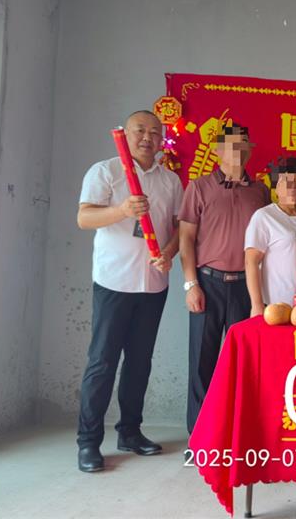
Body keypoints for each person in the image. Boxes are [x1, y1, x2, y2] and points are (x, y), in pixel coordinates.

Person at [75, 110, 182, 472]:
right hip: (114, 282)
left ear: (162, 139)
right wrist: (122, 210)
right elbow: (84, 217)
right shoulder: (106, 171)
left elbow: (177, 229)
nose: (147, 138)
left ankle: (130, 432)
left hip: (152, 284)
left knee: (139, 362)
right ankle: (88, 442)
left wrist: (168, 254)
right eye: (140, 130)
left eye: (155, 132)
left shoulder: (170, 181)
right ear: (127, 133)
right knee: (102, 362)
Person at [179, 125, 270, 434]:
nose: (238, 150)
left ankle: (233, 433)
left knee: (241, 364)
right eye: (231, 144)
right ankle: (199, 438)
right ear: (217, 150)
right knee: (201, 363)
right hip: (208, 284)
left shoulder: (260, 192)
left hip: (246, 287)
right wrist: (191, 285)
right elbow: (186, 239)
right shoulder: (199, 187)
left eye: (244, 144)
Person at [245, 157, 296, 314]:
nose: (293, 188)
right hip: (277, 307)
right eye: (286, 182)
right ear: (276, 188)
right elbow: (251, 262)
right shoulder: (264, 217)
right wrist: (256, 305)